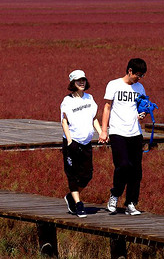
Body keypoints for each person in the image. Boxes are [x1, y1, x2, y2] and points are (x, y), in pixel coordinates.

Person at [99, 58, 147, 216]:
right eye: (138, 75)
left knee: (136, 170)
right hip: (117, 132)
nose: (139, 78)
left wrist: (143, 113)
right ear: (130, 71)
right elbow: (107, 108)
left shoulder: (140, 88)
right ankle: (115, 194)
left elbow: (142, 106)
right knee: (123, 165)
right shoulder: (113, 84)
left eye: (142, 76)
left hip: (135, 133)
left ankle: (131, 204)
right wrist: (103, 131)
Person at [61, 70, 103, 218]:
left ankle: (70, 197)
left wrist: (102, 132)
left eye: (83, 80)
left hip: (86, 143)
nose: (82, 83)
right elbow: (64, 121)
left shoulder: (90, 98)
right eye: (78, 80)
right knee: (72, 175)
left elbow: (94, 119)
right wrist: (70, 140)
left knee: (87, 175)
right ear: (73, 83)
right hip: (72, 143)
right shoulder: (67, 101)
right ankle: (78, 204)